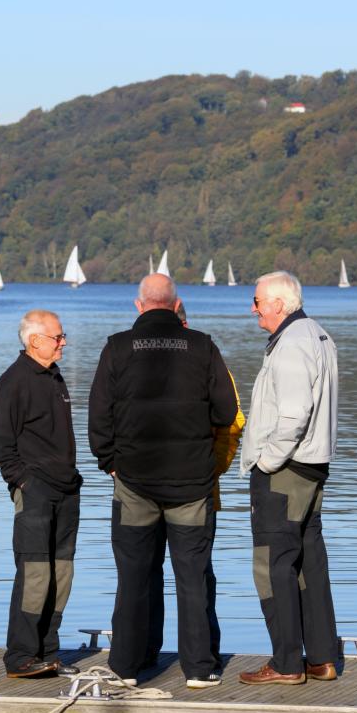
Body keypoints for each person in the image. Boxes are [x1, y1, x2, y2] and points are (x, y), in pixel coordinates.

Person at [89, 273, 238, 689]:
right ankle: (200, 668)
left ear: (139, 306)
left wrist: (110, 462)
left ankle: (127, 667)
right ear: (176, 306)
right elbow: (227, 412)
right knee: (192, 577)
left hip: (134, 480)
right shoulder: (203, 346)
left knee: (134, 575)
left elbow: (98, 413)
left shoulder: (117, 347)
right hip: (191, 483)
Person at [239, 271, 339, 685]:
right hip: (313, 467)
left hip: (286, 469)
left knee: (273, 562)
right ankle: (321, 658)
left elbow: (294, 415)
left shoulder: (292, 345)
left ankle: (285, 663)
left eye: (258, 300)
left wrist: (267, 461)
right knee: (308, 562)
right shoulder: (318, 335)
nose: (254, 308)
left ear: (279, 304)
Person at [145, 302, 245, 670]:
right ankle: (148, 650)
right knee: (150, 572)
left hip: (195, 487)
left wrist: (213, 469)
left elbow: (232, 422)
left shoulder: (207, 359)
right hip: (148, 487)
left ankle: (202, 655)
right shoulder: (138, 361)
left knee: (195, 574)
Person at [0, 310, 82, 678]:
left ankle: (47, 649)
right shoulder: (14, 381)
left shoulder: (54, 376)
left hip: (67, 489)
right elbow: (0, 447)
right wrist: (25, 483)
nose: (64, 342)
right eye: (58, 337)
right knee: (35, 573)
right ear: (35, 341)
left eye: (62, 336)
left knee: (62, 573)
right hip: (36, 491)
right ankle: (21, 656)